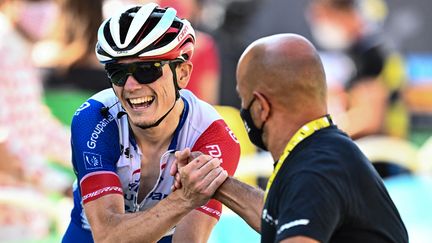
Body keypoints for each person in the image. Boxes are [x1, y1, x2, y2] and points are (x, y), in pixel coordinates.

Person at [173, 33, 408, 242]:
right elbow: (280, 216)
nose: (243, 107)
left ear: (261, 108)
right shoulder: (327, 152)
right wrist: (214, 181)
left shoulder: (315, 170)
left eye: (243, 99)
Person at [61, 3, 240, 243]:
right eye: (118, 73)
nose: (131, 86)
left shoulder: (213, 136)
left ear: (183, 74)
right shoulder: (95, 118)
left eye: (147, 70)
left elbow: (188, 240)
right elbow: (108, 236)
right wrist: (185, 198)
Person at [306, 0, 408, 139]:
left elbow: (370, 120)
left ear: (342, 13)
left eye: (320, 16)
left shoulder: (370, 54)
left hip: (381, 150)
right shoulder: (353, 52)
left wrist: (320, 138)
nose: (318, 23)